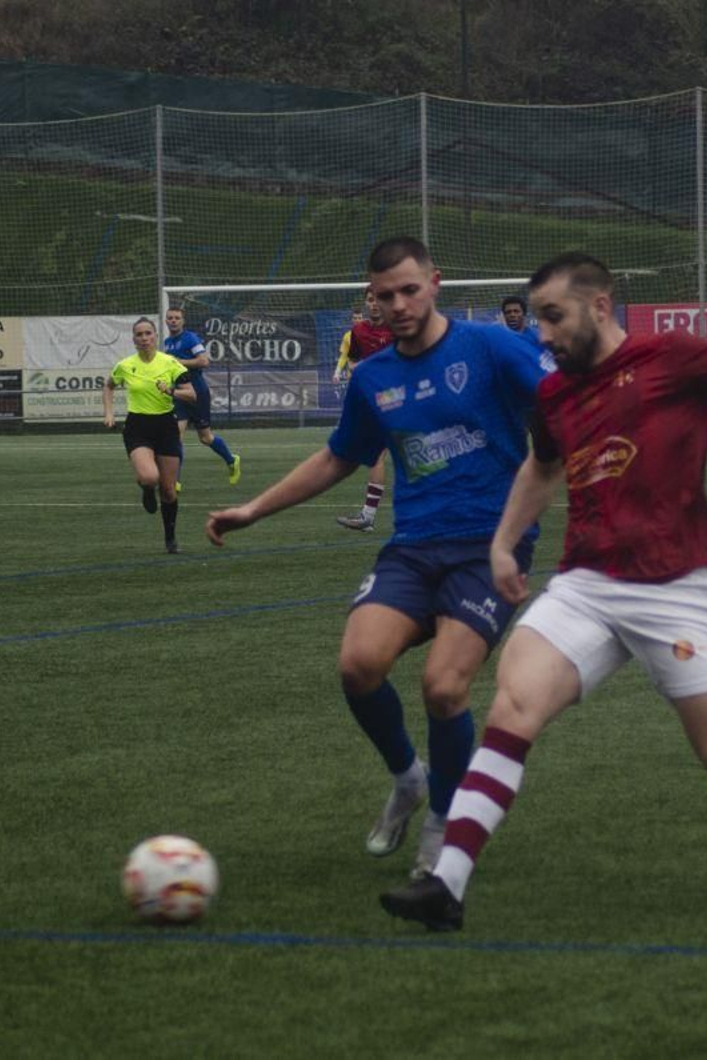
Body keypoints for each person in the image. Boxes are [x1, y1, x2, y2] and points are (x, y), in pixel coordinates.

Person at [380, 252, 707, 932]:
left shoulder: (671, 358)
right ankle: (446, 886)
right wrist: (504, 543)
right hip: (587, 583)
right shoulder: (556, 393)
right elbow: (541, 467)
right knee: (512, 706)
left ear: (599, 306)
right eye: (537, 320)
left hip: (677, 587)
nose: (542, 335)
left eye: (554, 317)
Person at [207, 236, 552, 879]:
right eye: (383, 294)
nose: (396, 304)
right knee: (358, 666)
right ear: (371, 297)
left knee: (444, 688)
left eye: (408, 290)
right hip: (414, 547)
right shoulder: (372, 377)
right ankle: (409, 778)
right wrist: (254, 509)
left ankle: (445, 823)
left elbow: (564, 408)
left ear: (435, 283)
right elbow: (340, 455)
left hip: (489, 547)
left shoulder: (491, 346)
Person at [104, 317, 199, 553]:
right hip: (138, 427)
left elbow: (192, 395)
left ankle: (170, 538)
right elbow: (109, 385)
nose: (144, 338)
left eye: (148, 333)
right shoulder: (125, 365)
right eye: (140, 335)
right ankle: (147, 490)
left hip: (166, 427)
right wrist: (108, 414)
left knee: (168, 490)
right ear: (134, 339)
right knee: (149, 477)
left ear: (156, 336)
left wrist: (171, 390)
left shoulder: (171, 363)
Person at [333, 291, 396, 532]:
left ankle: (368, 516)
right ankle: (368, 515)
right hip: (378, 400)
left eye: (379, 298)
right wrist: (361, 370)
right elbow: (352, 361)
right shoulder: (358, 332)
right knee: (379, 456)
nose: (374, 304)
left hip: (402, 397)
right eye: (370, 299)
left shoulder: (398, 328)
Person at [163, 308, 241, 486]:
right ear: (166, 321)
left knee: (205, 438)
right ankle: (175, 481)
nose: (173, 321)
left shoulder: (191, 338)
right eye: (170, 318)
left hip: (198, 393)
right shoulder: (167, 343)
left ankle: (231, 460)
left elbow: (204, 361)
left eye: (177, 318)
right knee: (176, 437)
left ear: (183, 321)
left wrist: (178, 362)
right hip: (180, 394)